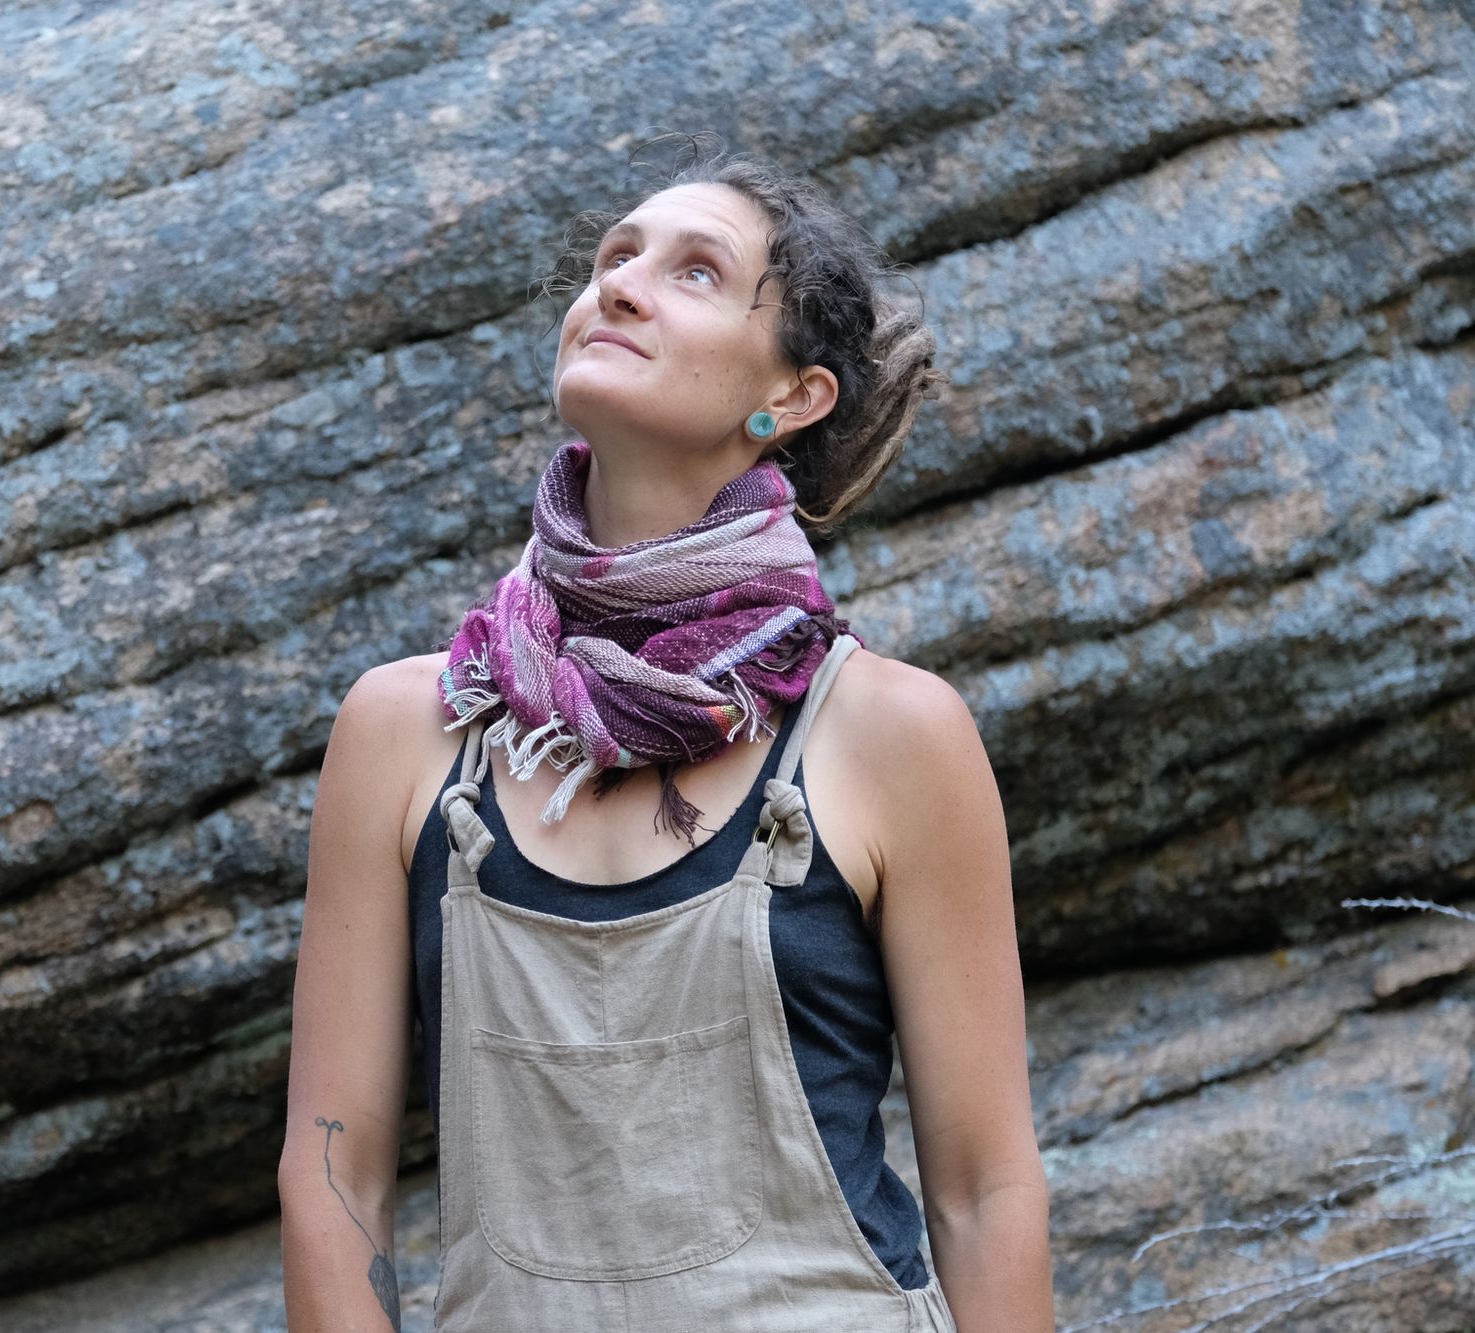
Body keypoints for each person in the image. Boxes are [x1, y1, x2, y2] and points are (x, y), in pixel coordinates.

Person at [278, 131, 1053, 1332]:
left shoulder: (888, 735)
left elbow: (981, 1189)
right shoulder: (409, 731)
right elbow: (335, 1175)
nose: (619, 285)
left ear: (789, 398)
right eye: (613, 258)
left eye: (694, 271)